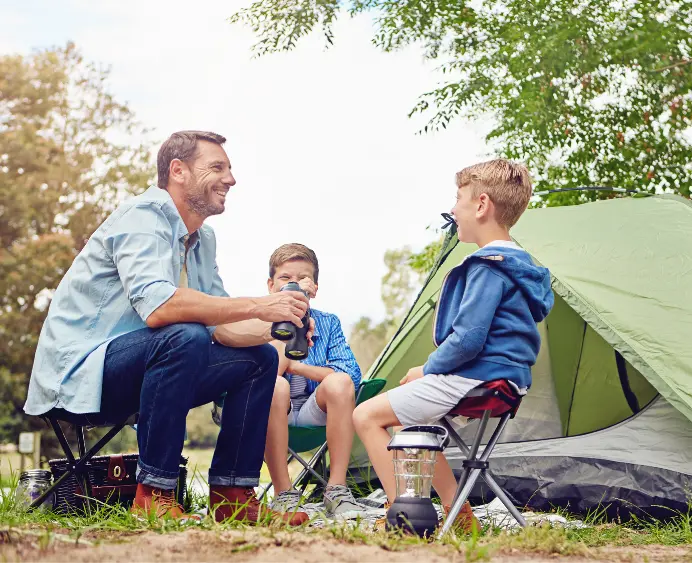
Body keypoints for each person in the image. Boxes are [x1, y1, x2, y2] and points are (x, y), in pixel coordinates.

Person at [24, 131, 310, 526]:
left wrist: (275, 327)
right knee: (183, 333)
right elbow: (159, 307)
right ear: (178, 170)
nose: (231, 179)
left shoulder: (202, 238)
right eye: (218, 167)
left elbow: (222, 326)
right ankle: (154, 494)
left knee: (260, 360)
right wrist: (261, 304)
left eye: (229, 169)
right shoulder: (143, 215)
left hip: (149, 367)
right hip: (78, 376)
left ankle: (233, 498)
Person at [352, 159, 554, 533]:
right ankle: (457, 514)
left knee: (366, 415)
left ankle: (405, 513)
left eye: (457, 198)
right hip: (507, 380)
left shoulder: (487, 266)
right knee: (415, 425)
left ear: (480, 205)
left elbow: (468, 339)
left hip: (478, 375)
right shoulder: (519, 265)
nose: (452, 208)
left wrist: (427, 369)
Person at [259, 243, 365, 517]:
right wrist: (287, 324)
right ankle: (284, 492)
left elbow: (349, 375)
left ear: (314, 288)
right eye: (285, 278)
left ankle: (336, 489)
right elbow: (266, 376)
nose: (293, 284)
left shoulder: (328, 323)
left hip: (312, 409)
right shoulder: (257, 320)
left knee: (339, 383)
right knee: (276, 385)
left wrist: (297, 366)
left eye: (302, 279)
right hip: (268, 409)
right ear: (271, 285)